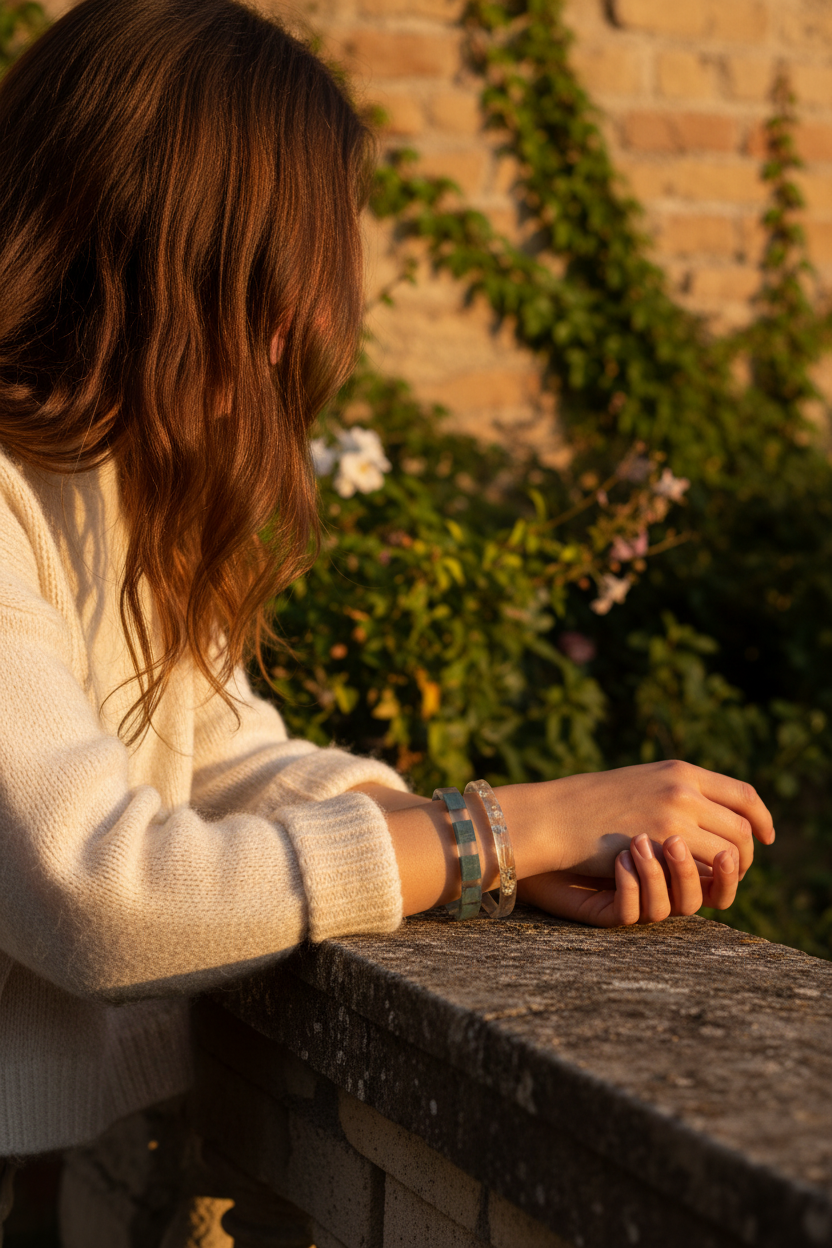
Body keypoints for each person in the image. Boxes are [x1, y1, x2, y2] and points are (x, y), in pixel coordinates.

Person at [0, 0, 774, 1241]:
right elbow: (106, 894)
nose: (295, 335)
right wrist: (492, 832)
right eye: (279, 281)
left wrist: (487, 855)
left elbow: (229, 754)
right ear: (161, 248)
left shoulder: (106, 475)